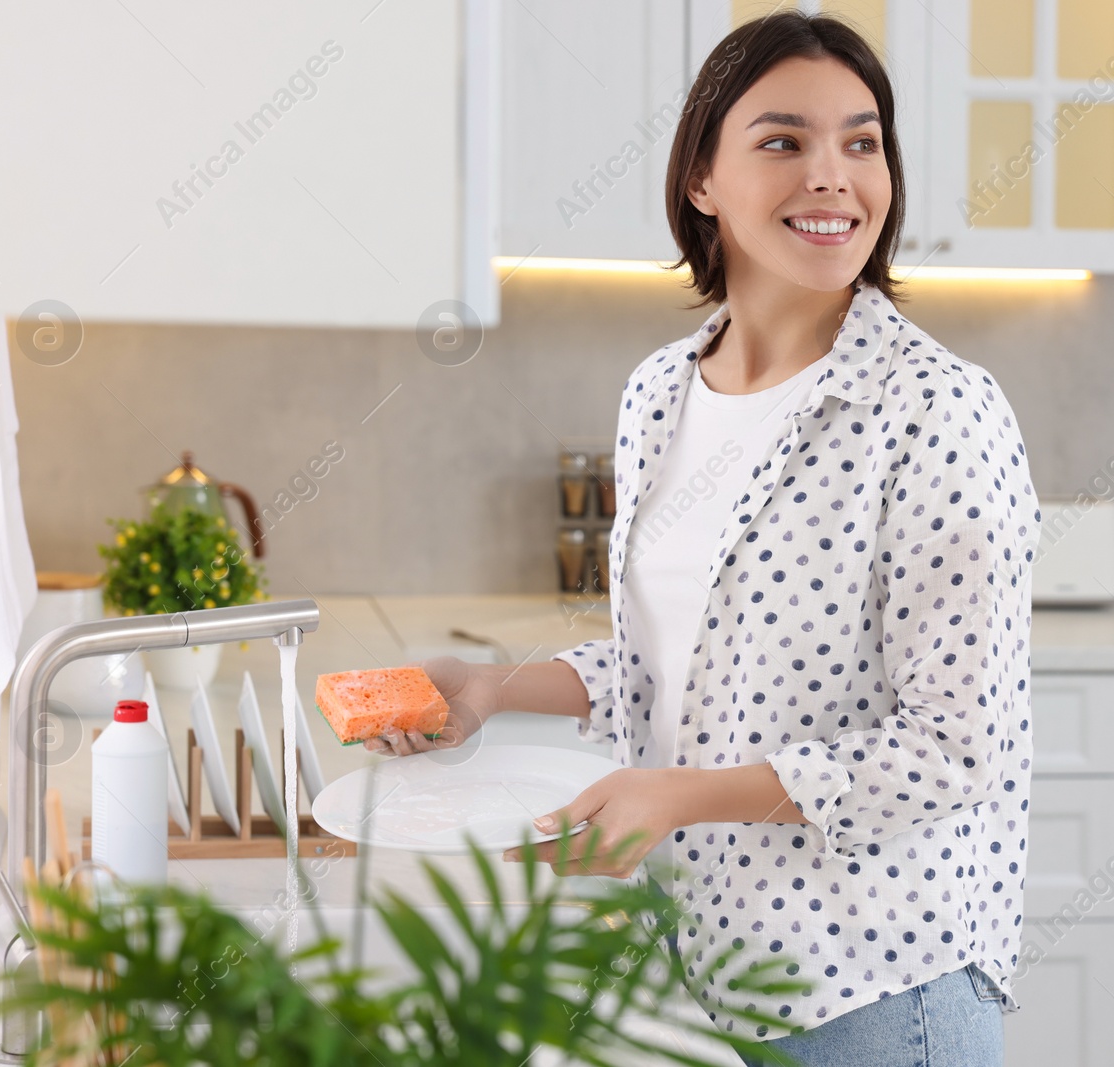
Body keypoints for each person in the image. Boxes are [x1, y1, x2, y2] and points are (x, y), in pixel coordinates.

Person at [365, 12, 1040, 1066]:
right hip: (707, 969)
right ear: (701, 181)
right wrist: (499, 687)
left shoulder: (936, 410)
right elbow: (683, 667)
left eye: (861, 143)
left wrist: (671, 796)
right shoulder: (660, 395)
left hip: (871, 981)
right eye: (782, 141)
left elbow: (953, 747)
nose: (832, 177)